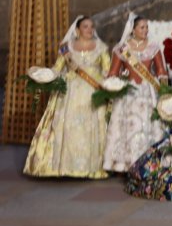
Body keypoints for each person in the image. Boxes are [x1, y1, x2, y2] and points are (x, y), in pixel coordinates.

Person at [24, 16, 111, 179]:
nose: (89, 29)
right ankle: (66, 166)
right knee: (69, 126)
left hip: (93, 90)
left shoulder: (100, 47)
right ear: (77, 30)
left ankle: (91, 167)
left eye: (91, 26)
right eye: (85, 26)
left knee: (91, 127)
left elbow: (107, 70)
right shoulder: (66, 48)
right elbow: (57, 68)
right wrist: (44, 75)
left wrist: (112, 86)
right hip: (70, 91)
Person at [103, 14, 169, 172]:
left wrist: (165, 88)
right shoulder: (122, 49)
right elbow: (113, 72)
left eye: (147, 27)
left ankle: (150, 162)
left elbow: (161, 70)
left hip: (148, 92)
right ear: (132, 30)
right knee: (128, 126)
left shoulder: (153, 47)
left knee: (149, 126)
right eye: (142, 27)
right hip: (129, 93)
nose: (145, 30)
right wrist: (115, 83)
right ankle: (124, 163)